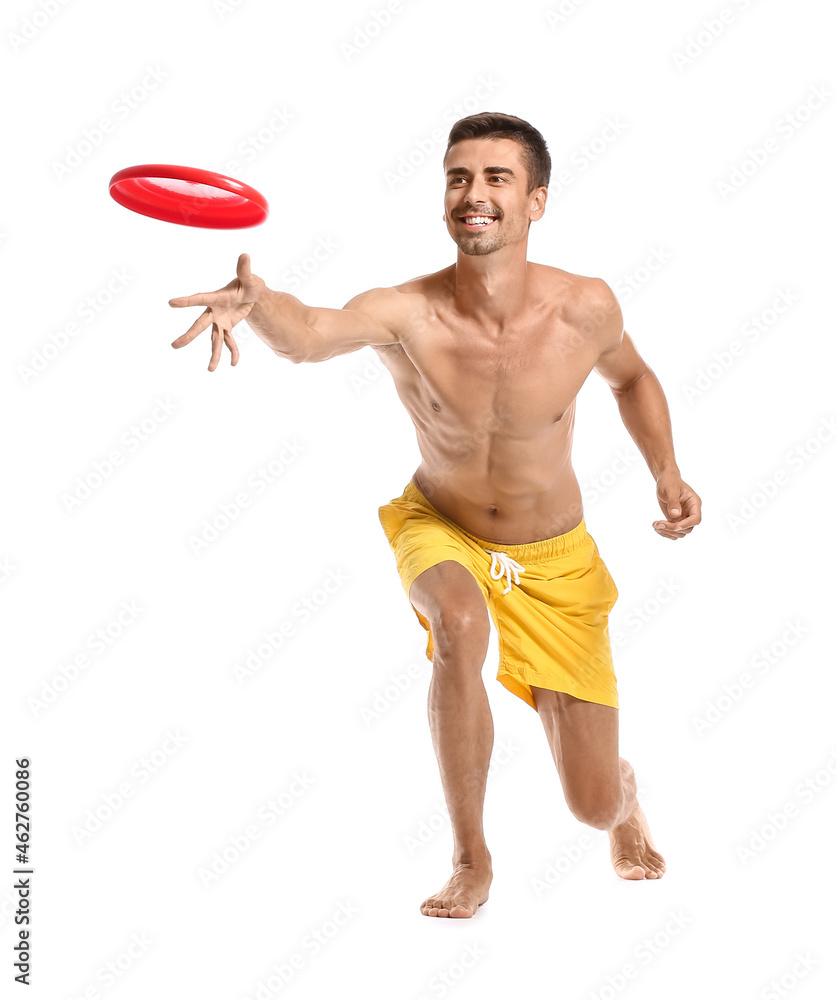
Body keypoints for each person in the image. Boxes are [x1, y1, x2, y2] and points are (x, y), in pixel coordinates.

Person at [168, 112, 702, 919]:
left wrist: (667, 472)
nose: (474, 194)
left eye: (497, 178)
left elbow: (633, 378)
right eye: (459, 177)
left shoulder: (584, 308)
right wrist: (260, 301)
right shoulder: (407, 311)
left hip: (554, 558)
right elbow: (311, 335)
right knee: (456, 622)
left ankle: (622, 798)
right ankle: (470, 858)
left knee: (588, 804)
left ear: (537, 202)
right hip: (442, 525)